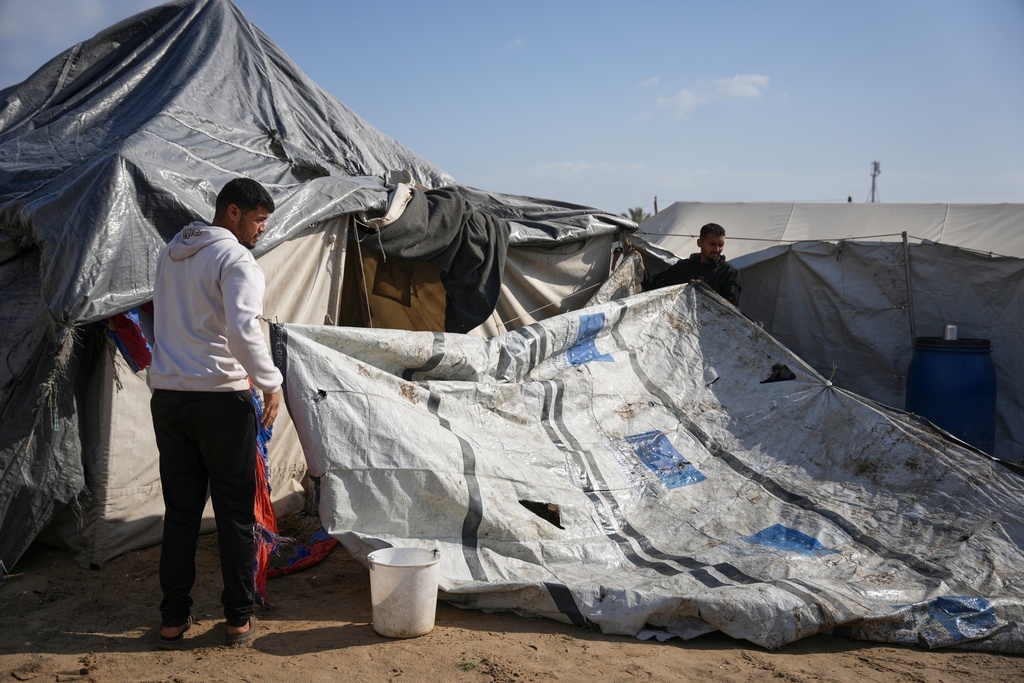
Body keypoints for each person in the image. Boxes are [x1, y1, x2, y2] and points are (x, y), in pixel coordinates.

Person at [148, 177, 283, 649]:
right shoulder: (235, 258)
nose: (262, 230)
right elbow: (245, 329)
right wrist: (271, 382)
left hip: (168, 398)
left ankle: (172, 619)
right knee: (233, 513)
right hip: (219, 399)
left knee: (181, 513)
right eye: (259, 220)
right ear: (232, 213)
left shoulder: (170, 252)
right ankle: (238, 620)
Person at [643, 222, 740, 305]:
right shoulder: (683, 267)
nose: (717, 249)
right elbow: (652, 285)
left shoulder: (728, 272)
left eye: (720, 245)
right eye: (712, 244)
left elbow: (731, 308)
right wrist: (638, 263)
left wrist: (706, 292)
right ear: (700, 243)